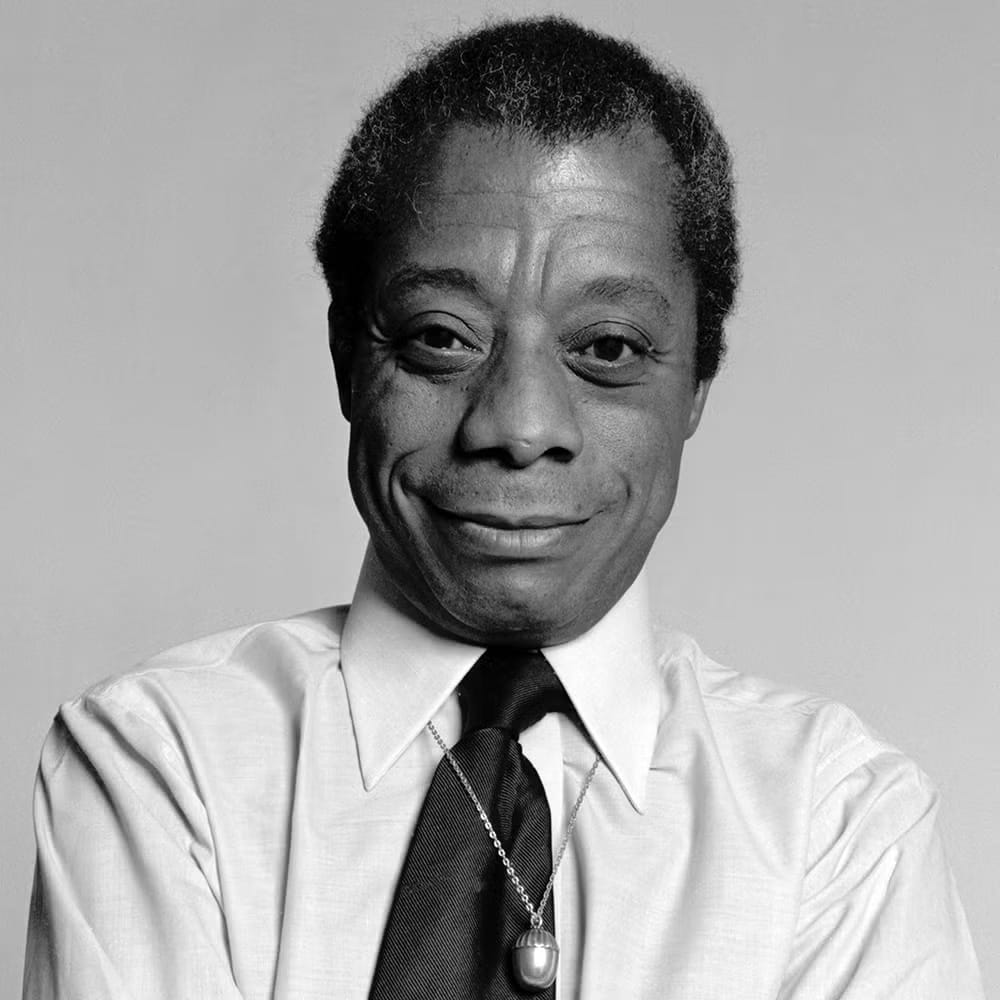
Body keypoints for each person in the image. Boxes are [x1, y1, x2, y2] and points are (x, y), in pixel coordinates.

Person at [22, 16, 984, 999]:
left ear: (697, 379)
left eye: (605, 348)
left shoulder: (836, 820)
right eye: (442, 336)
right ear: (348, 358)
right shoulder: (163, 761)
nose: (520, 425)